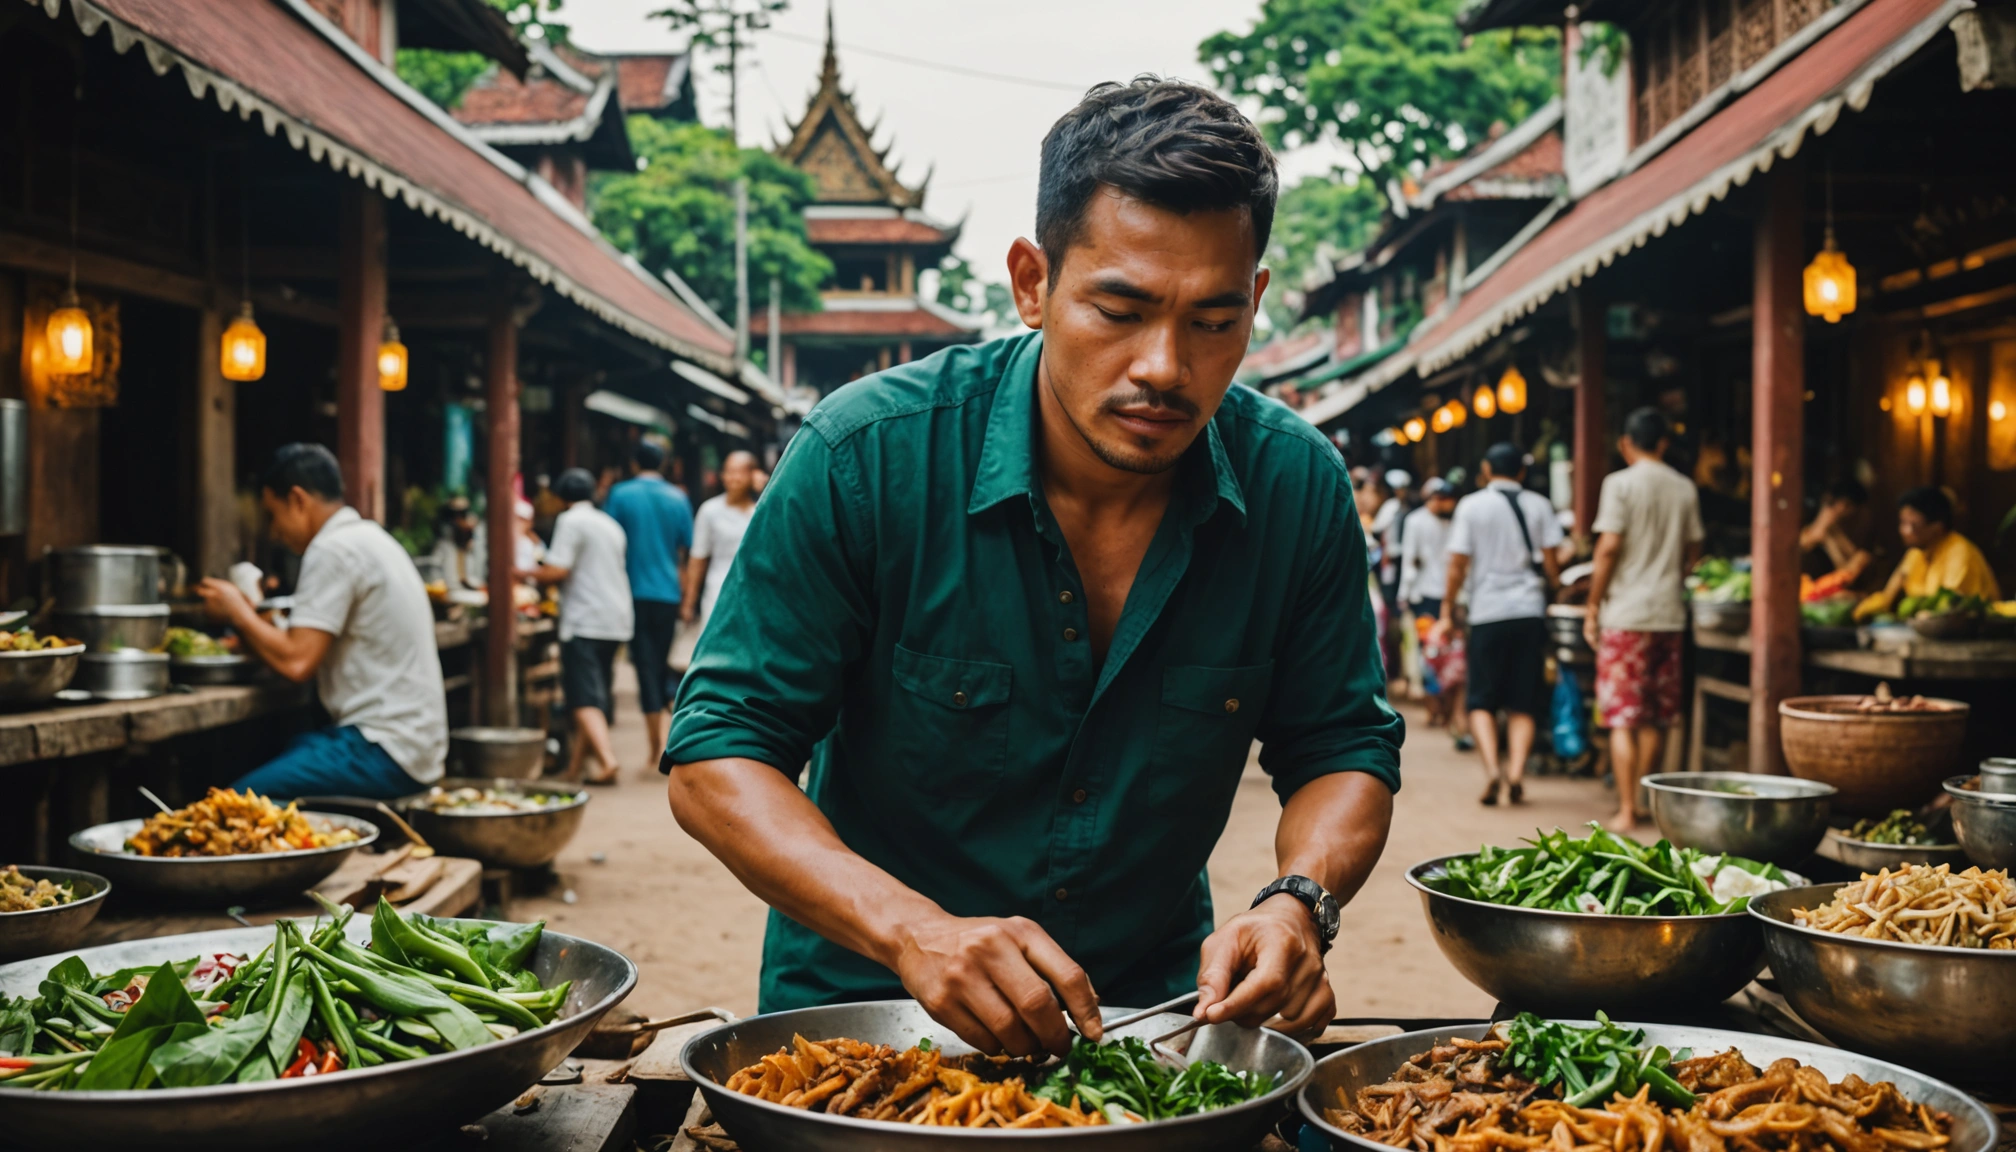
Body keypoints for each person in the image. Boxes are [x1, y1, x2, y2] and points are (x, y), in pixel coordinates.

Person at [664, 77, 1402, 1057]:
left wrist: (1297, 904)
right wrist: (911, 929)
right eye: (1120, 309)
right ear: (1032, 282)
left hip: (1147, 1026)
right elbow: (716, 752)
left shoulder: (1295, 485)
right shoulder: (867, 455)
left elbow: (1343, 746)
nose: (1164, 368)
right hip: (864, 1019)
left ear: (1256, 299)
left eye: (1214, 322)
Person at [193, 444, 446, 799]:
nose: (274, 532)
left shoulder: (333, 548)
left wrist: (238, 611)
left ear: (298, 500)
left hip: (383, 749)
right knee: (290, 746)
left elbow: (297, 661)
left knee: (237, 803)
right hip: (415, 747)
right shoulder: (371, 538)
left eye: (273, 515)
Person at [1582, 409, 1704, 831]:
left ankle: (1626, 807)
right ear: (1664, 443)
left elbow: (1608, 548)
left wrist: (1593, 604)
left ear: (1625, 444)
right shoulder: (1684, 487)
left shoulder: (1619, 484)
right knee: (1652, 716)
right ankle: (1647, 805)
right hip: (1669, 614)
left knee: (1622, 717)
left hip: (1626, 615)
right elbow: (1694, 555)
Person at [1439, 442, 1561, 806]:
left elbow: (1458, 564)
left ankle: (1493, 769)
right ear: (1522, 472)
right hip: (1529, 610)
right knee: (1523, 700)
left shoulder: (1472, 506)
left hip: (1487, 612)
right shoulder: (1540, 505)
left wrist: (1447, 608)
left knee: (1481, 700)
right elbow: (1552, 564)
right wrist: (1554, 587)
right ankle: (1517, 772)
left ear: (1486, 470)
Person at [528, 468, 633, 785]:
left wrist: (519, 573)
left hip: (585, 619)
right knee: (595, 697)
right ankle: (576, 769)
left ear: (561, 498)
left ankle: (607, 759)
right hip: (615, 619)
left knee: (583, 698)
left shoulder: (571, 521)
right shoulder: (609, 524)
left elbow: (558, 570)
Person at [605, 440, 694, 771]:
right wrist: (687, 600)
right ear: (664, 463)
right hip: (668, 594)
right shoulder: (678, 497)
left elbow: (612, 543)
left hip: (632, 593)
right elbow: (686, 551)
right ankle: (665, 741)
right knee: (661, 666)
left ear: (633, 462)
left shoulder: (620, 495)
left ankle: (655, 743)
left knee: (645, 667)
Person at [1854, 486, 2000, 620]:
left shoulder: (1960, 553)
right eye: (1902, 523)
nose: (1904, 531)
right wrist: (1856, 608)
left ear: (1937, 526)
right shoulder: (1915, 554)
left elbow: (1952, 607)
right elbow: (1888, 596)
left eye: (1912, 525)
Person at [1400, 478, 1469, 748]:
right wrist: (1406, 595)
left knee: (1454, 652)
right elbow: (1409, 559)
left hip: (1453, 596)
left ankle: (1450, 709)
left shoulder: (1457, 521)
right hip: (1426, 596)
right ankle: (1434, 707)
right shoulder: (1416, 522)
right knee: (1429, 653)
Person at [683, 450, 758, 630]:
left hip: (753, 595)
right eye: (729, 471)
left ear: (752, 475)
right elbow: (698, 558)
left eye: (740, 472)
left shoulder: (760, 512)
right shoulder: (709, 511)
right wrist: (689, 602)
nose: (734, 477)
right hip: (716, 593)